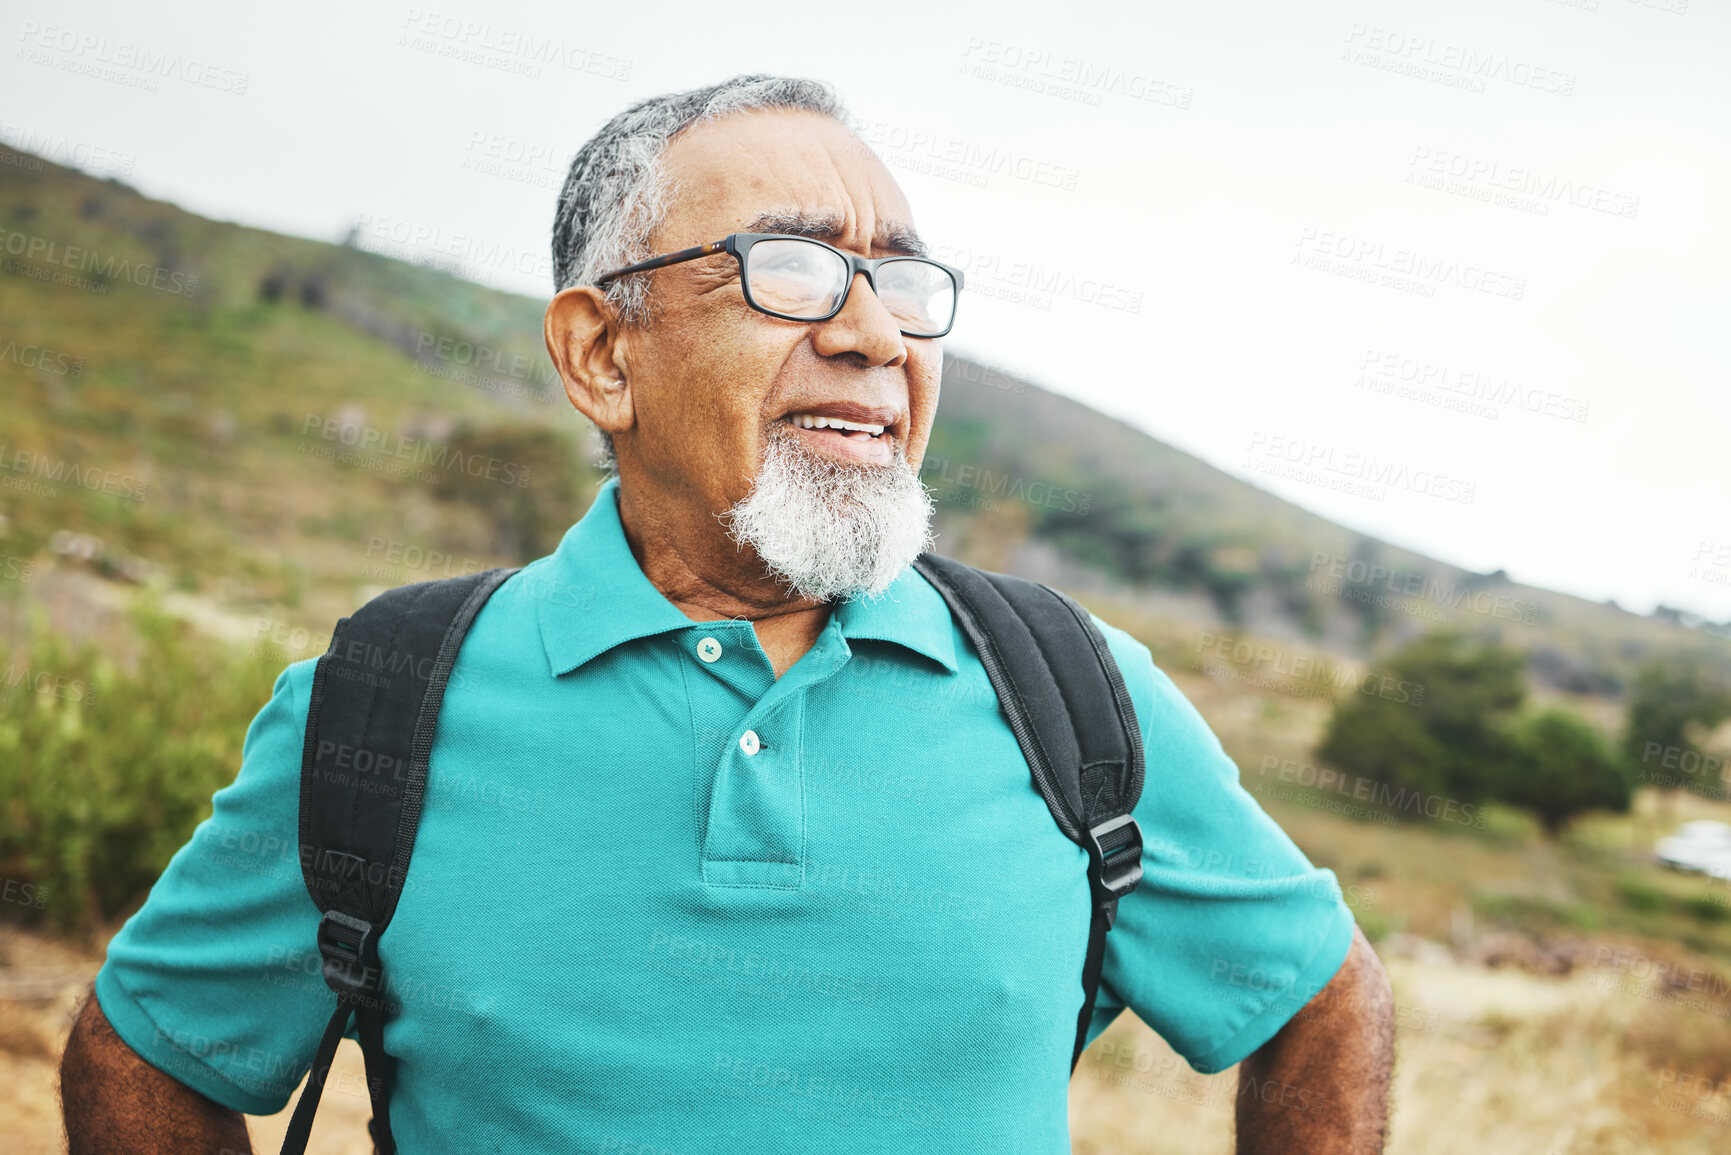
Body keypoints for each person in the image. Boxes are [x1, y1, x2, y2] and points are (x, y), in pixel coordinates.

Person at [60, 74, 1394, 1154]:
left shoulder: (1078, 694)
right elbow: (147, 1050)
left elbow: (1317, 998)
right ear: (602, 354)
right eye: (794, 270)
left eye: (902, 283)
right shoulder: (381, 708)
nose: (877, 335)